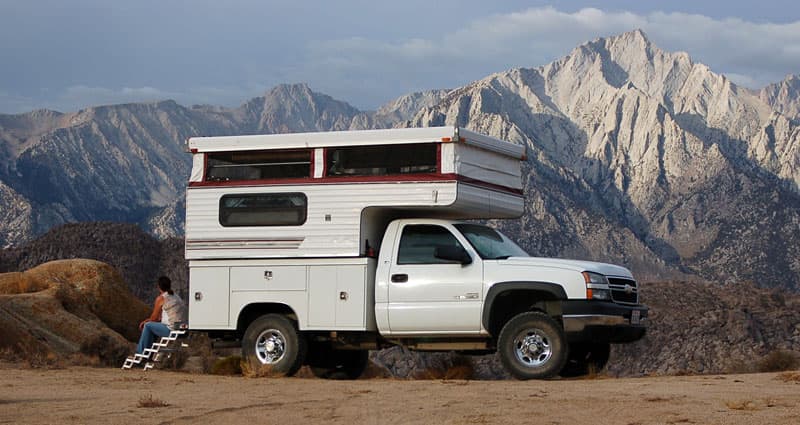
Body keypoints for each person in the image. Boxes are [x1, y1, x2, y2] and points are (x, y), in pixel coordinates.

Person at [136, 276, 187, 355]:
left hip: (172, 330)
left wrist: (145, 321)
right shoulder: (176, 296)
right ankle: (147, 354)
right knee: (152, 327)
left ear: (159, 287)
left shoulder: (161, 298)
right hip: (182, 330)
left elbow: (154, 318)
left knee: (147, 326)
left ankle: (140, 354)